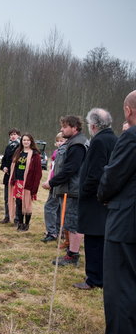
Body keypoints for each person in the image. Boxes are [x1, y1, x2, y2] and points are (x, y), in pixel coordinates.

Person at [81, 91, 136, 334]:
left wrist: (102, 195)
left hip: (126, 221)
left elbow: (112, 176)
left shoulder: (131, 136)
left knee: (118, 286)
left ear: (128, 110)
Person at [74, 108, 117, 290]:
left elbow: (96, 172)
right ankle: (101, 276)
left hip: (94, 199)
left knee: (93, 240)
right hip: (106, 197)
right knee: (101, 240)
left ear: (93, 125)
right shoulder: (113, 138)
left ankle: (94, 278)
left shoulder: (99, 141)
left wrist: (84, 191)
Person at [42, 115, 88, 266]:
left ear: (74, 128)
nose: (61, 129)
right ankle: (71, 251)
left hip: (73, 190)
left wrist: (52, 182)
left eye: (65, 126)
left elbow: (70, 169)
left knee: (73, 222)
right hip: (68, 188)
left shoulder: (78, 145)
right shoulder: (72, 142)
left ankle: (73, 255)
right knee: (69, 222)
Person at [8, 133, 42, 231]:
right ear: (21, 141)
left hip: (27, 183)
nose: (25, 142)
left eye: (27, 140)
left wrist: (34, 187)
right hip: (18, 181)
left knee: (26, 204)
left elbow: (38, 173)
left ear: (31, 141)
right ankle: (20, 223)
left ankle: (26, 224)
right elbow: (14, 166)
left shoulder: (35, 155)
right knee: (18, 203)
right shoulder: (18, 152)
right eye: (24, 140)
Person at [41, 133, 66, 242]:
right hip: (53, 183)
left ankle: (52, 232)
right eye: (58, 141)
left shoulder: (63, 152)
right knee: (57, 207)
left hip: (58, 184)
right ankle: (57, 230)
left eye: (62, 141)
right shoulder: (56, 153)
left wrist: (52, 182)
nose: (60, 143)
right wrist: (48, 180)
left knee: (50, 207)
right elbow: (52, 170)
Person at [0, 128, 21, 224]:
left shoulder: (21, 146)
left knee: (17, 197)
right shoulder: (8, 146)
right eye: (11, 134)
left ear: (18, 135)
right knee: (7, 197)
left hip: (17, 176)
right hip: (7, 176)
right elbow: (4, 160)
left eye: (15, 134)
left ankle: (16, 218)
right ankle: (7, 216)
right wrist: (4, 167)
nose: (13, 136)